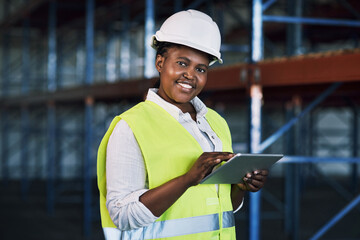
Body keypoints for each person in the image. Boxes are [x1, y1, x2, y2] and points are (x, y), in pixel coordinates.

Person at [97, 9, 268, 240]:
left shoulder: (216, 122)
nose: (190, 75)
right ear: (160, 62)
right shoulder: (131, 126)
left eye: (200, 69)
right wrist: (187, 180)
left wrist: (241, 185)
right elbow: (123, 215)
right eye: (182, 63)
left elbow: (222, 207)